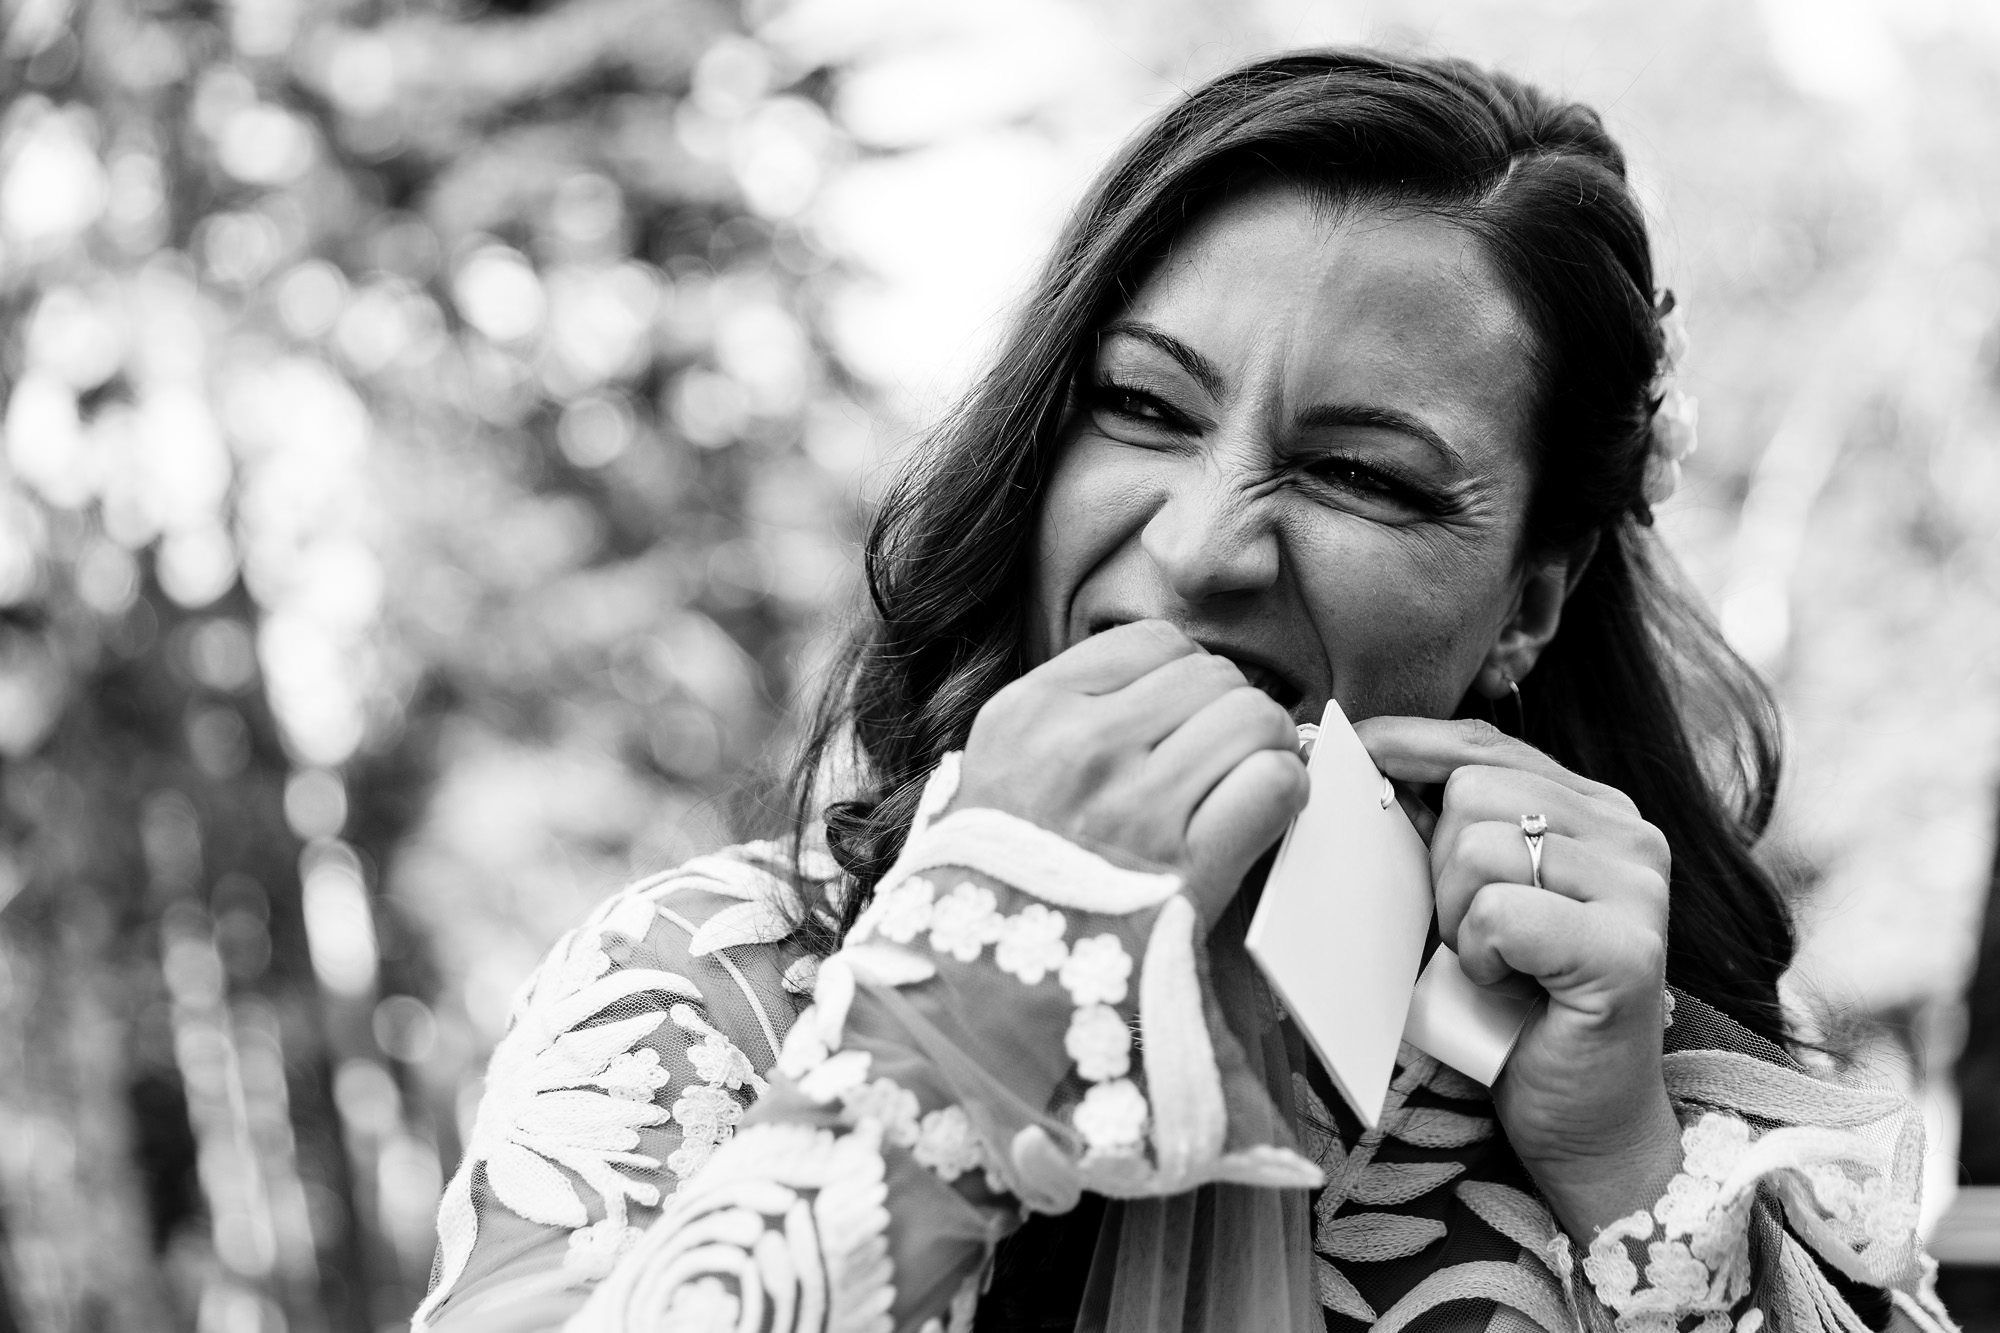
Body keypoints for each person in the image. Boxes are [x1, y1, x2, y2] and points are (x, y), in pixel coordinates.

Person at [412, 50, 1955, 1333]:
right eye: (1143, 407)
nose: (1202, 544)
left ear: (1531, 599)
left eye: (1361, 473)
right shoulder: (719, 984)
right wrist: (952, 1021)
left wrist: (1628, 1176)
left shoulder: (1637, 1072)